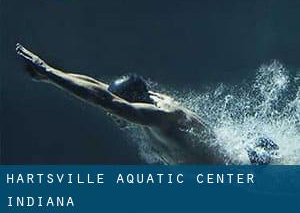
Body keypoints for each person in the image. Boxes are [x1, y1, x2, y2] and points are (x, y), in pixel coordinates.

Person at [15, 43, 278, 164]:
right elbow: (99, 88)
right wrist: (51, 76)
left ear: (132, 103)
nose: (110, 114)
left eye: (115, 109)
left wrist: (48, 72)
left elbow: (105, 100)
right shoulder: (146, 102)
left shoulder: (162, 117)